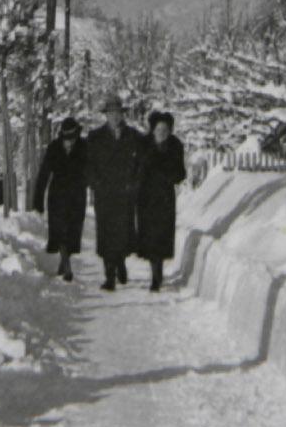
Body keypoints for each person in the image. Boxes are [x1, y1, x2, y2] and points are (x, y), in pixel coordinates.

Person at [82, 93, 146, 291]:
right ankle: (109, 275)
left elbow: (142, 164)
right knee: (107, 233)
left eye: (118, 113)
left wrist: (135, 184)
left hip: (126, 194)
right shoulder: (95, 138)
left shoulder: (134, 137)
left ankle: (120, 263)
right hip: (105, 194)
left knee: (124, 233)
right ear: (106, 115)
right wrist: (95, 184)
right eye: (111, 113)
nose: (115, 117)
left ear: (122, 114)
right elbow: (87, 165)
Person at [134, 110, 187, 292]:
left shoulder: (175, 146)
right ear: (153, 129)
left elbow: (181, 173)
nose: (162, 133)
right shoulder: (144, 145)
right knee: (149, 237)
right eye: (159, 129)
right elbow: (136, 169)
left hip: (164, 198)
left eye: (165, 130)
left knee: (161, 237)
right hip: (146, 198)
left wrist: (169, 174)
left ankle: (157, 276)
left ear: (170, 131)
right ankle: (155, 272)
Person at [31, 117, 88, 281]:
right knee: (61, 230)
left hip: (77, 196)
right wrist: (38, 199)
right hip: (58, 196)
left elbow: (92, 170)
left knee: (72, 231)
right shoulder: (54, 148)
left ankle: (64, 262)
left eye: (72, 138)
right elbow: (44, 173)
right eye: (66, 138)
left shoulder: (84, 147)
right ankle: (67, 266)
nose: (69, 142)